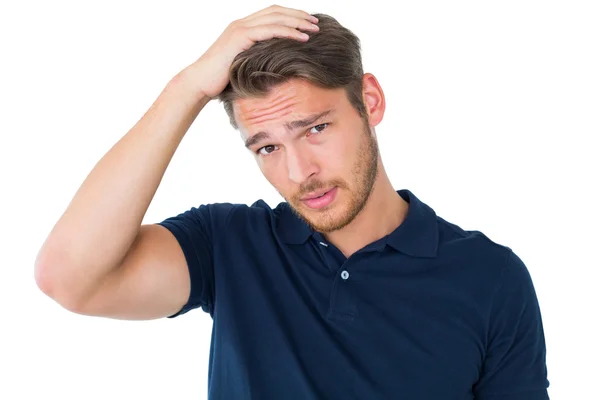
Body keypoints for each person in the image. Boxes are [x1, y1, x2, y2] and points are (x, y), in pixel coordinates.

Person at [34, 5, 550, 399]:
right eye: (268, 147)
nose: (299, 172)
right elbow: (68, 278)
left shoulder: (490, 278)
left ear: (369, 102)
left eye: (316, 129)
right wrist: (189, 87)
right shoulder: (228, 244)